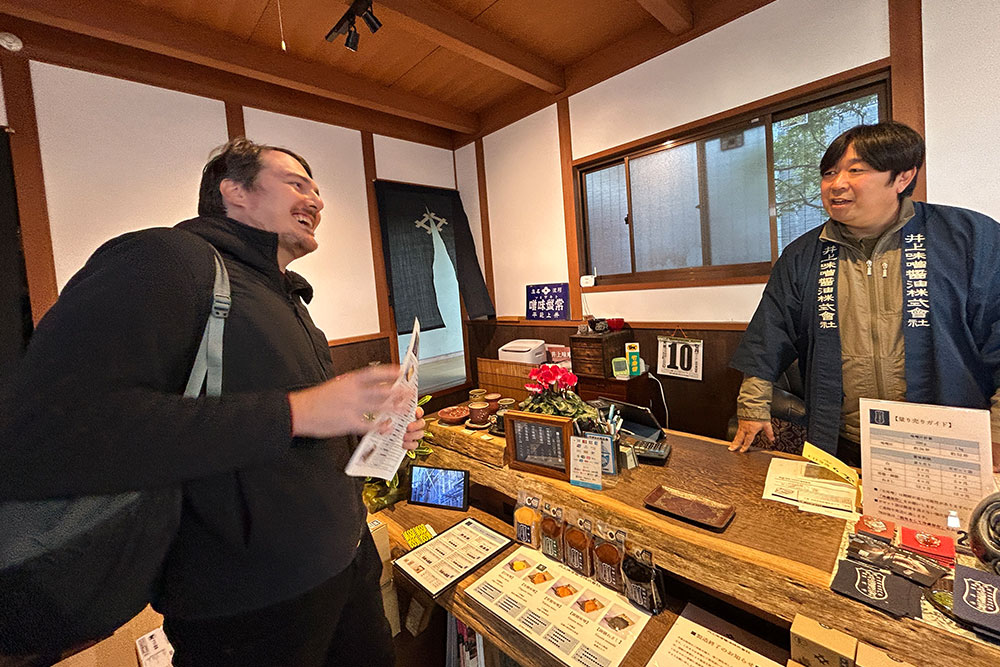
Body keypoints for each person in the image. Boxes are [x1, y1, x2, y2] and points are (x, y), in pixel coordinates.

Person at [0, 137, 425, 666]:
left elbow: (290, 437)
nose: (316, 200)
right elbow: (53, 431)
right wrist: (298, 410)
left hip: (348, 566)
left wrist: (368, 434)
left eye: (317, 190)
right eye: (296, 184)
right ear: (234, 191)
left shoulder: (287, 298)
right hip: (247, 609)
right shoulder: (167, 261)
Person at [729, 121, 1000, 468]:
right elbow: (770, 331)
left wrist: (995, 434)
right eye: (829, 173)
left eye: (856, 170)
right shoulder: (804, 253)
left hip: (951, 443)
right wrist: (752, 406)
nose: (836, 184)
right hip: (843, 439)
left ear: (902, 177)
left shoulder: (968, 238)